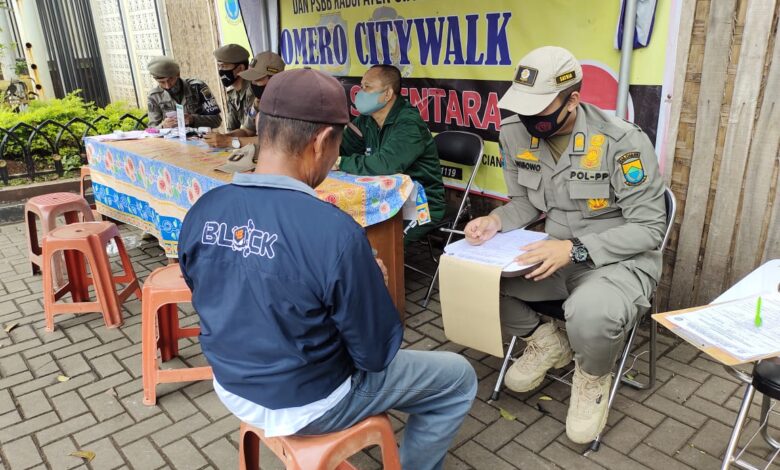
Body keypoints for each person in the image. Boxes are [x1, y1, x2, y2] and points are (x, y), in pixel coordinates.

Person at [178, 68, 477, 470]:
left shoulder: (202, 211)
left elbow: (217, 290)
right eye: (336, 147)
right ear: (321, 143)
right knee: (457, 378)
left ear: (263, 128)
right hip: (310, 401)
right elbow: (375, 355)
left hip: (231, 385)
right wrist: (374, 284)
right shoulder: (336, 232)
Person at [464, 46, 665, 444]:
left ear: (573, 99)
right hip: (553, 252)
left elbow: (649, 228)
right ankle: (547, 340)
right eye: (523, 107)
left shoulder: (620, 140)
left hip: (619, 261)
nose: (529, 118)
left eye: (540, 109)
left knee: (591, 313)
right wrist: (494, 221)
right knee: (475, 281)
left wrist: (573, 248)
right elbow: (524, 201)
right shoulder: (514, 132)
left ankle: (592, 376)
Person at [336, 64, 445, 242]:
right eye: (361, 86)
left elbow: (384, 164)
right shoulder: (366, 120)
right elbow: (341, 149)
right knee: (347, 231)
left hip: (418, 204)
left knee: (378, 243)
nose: (361, 92)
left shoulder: (409, 124)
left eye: (367, 87)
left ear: (387, 94)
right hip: (381, 198)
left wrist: (340, 162)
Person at [204, 51, 285, 149]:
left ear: (276, 79)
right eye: (252, 80)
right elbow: (247, 131)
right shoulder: (258, 102)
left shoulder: (287, 104)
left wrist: (229, 142)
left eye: (258, 79)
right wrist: (224, 137)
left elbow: (273, 142)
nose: (253, 84)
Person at [146, 57, 221, 129]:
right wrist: (162, 126)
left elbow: (217, 120)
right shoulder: (154, 97)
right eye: (161, 82)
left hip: (201, 139)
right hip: (171, 141)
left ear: (178, 74)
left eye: (170, 79)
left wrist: (193, 119)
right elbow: (152, 129)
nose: (167, 86)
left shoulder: (198, 87)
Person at [213, 44, 253, 132]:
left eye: (224, 66)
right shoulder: (232, 94)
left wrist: (226, 138)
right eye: (219, 66)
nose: (220, 71)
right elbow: (231, 129)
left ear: (240, 68)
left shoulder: (253, 90)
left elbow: (250, 131)